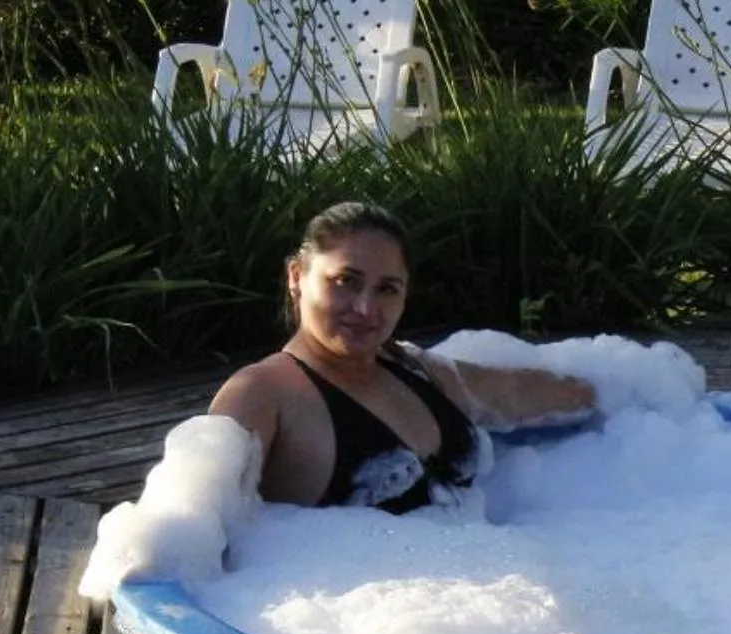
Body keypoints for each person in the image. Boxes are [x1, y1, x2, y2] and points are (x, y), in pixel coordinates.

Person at [208, 201, 598, 513]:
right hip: (354, 607)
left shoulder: (416, 370)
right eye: (346, 281)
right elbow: (193, 527)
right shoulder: (262, 394)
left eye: (387, 289)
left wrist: (632, 391)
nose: (365, 308)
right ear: (296, 277)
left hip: (485, 587)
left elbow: (516, 393)